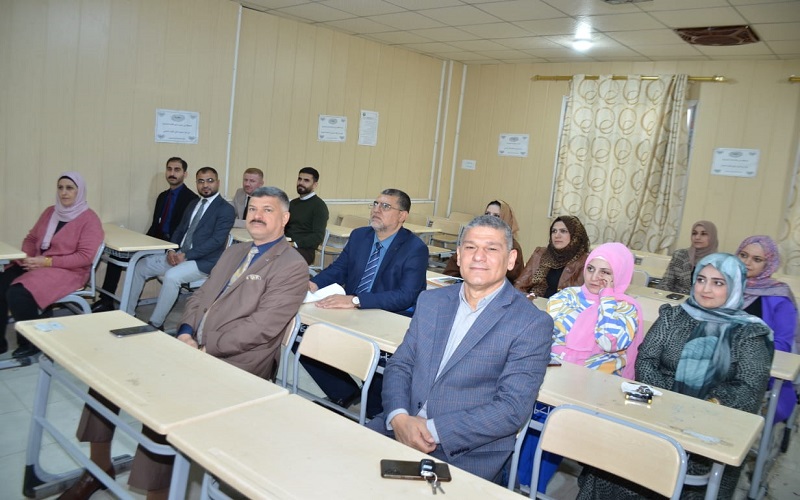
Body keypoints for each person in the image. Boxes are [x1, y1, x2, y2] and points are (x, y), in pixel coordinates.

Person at [59, 187, 308, 500]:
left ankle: (157, 493)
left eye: (267, 210)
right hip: (193, 346)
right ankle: (97, 467)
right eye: (253, 208)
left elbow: (261, 329)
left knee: (166, 409)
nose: (256, 215)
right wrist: (186, 331)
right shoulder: (235, 251)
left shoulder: (292, 266)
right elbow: (200, 296)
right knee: (108, 376)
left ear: (284, 218)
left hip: (238, 363)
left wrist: (205, 348)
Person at [367, 215, 553, 483]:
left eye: (491, 248)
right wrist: (398, 417)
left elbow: (511, 409)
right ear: (458, 255)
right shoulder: (431, 300)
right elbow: (400, 364)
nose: (478, 256)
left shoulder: (531, 323)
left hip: (464, 451)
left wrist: (429, 429)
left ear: (511, 260)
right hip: (399, 425)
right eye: (470, 247)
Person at [577, 253, 774, 500]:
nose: (706, 289)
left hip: (710, 431)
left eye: (718, 283)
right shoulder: (674, 316)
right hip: (655, 411)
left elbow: (747, 390)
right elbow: (646, 360)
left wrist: (693, 407)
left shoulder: (750, 334)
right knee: (614, 457)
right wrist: (668, 401)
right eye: (701, 279)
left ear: (735, 287)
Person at [517, 241, 643, 492]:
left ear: (619, 274)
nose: (596, 278)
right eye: (591, 269)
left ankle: (533, 486)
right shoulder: (566, 296)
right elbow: (546, 337)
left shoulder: (626, 308)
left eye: (606, 273)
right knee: (528, 412)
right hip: (554, 377)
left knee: (554, 423)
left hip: (592, 389)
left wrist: (607, 298)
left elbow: (609, 341)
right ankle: (517, 482)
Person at [304, 188, 429, 417]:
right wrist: (313, 285)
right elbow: (339, 269)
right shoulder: (360, 235)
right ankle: (345, 393)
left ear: (403, 215)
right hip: (353, 310)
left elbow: (406, 295)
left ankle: (372, 410)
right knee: (304, 335)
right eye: (375, 204)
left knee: (381, 363)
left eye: (385, 206)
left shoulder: (415, 249)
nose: (376, 210)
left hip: (388, 316)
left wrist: (356, 300)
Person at [0, 172, 103, 357]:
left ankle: (32, 343)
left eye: (70, 188)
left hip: (70, 271)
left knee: (18, 292)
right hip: (39, 262)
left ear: (80, 192)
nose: (64, 192)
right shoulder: (50, 212)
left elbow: (84, 257)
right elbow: (31, 239)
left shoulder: (90, 219)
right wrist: (28, 258)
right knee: (1, 282)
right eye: (60, 187)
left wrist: (46, 261)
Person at [124, 167, 235, 329]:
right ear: (196, 183)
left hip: (205, 261)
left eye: (210, 181)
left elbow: (216, 241)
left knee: (171, 277)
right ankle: (127, 314)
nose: (205, 185)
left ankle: (155, 324)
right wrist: (171, 250)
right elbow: (180, 230)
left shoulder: (226, 209)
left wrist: (186, 255)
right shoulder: (193, 204)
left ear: (217, 183)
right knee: (141, 265)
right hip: (180, 254)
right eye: (201, 181)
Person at [92, 157, 198, 312]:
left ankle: (128, 310)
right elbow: (155, 225)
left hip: (171, 247)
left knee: (137, 264)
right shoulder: (162, 196)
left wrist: (170, 248)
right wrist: (143, 242)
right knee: (117, 255)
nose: (172, 173)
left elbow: (185, 232)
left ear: (185, 174)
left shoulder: (192, 199)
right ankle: (106, 300)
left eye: (177, 170)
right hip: (156, 242)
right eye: (169, 169)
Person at [737, 235, 798, 423]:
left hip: (757, 368)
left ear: (768, 264)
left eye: (757, 259)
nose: (747, 263)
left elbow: (781, 345)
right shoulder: (722, 284)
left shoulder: (779, 296)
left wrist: (741, 356)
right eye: (743, 255)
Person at [443, 200, 524, 281]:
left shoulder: (512, 246)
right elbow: (452, 269)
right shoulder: (473, 238)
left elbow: (514, 279)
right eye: (487, 214)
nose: (490, 218)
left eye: (496, 216)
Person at [514, 215, 590, 299]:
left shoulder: (585, 261)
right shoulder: (540, 254)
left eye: (563, 231)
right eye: (554, 231)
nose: (557, 235)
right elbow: (520, 285)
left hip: (564, 309)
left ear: (575, 235)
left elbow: (582, 297)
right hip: (534, 304)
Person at [657, 220, 718, 294]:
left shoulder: (718, 261)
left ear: (712, 237)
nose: (697, 237)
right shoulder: (680, 255)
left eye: (703, 234)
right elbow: (666, 283)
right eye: (694, 233)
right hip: (677, 300)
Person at [285, 166, 329, 265]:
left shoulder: (319, 206)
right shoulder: (293, 203)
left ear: (315, 185)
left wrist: (294, 244)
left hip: (305, 251)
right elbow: (285, 227)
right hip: (287, 245)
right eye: (299, 179)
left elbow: (318, 236)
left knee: (278, 260)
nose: (301, 183)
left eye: (306, 180)